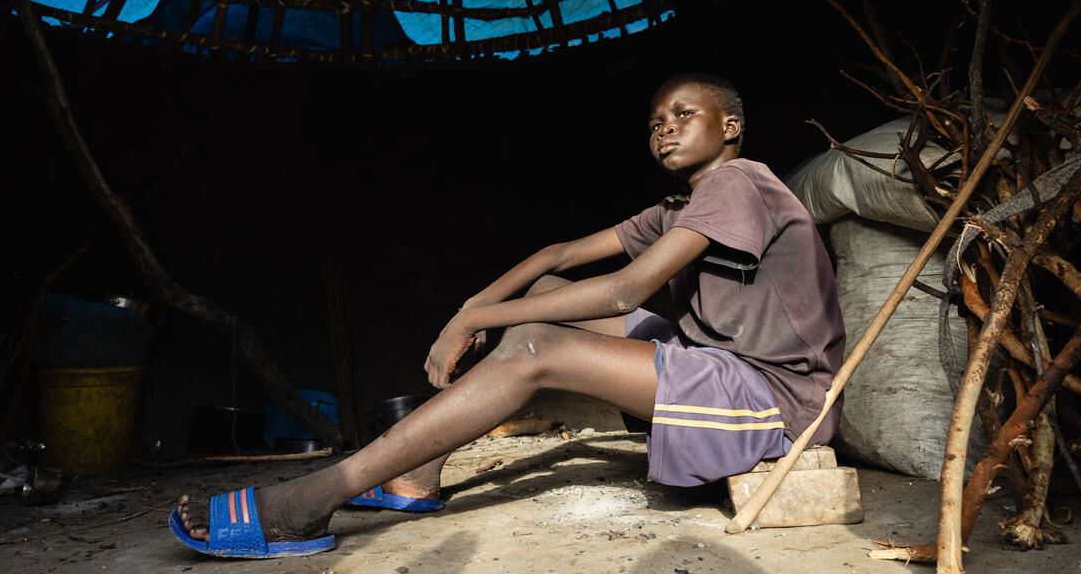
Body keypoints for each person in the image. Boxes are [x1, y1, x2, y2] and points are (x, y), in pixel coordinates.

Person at [170, 72, 845, 559]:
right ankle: (416, 475)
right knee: (534, 312)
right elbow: (559, 253)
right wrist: (472, 307)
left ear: (730, 126)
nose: (663, 127)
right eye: (653, 122)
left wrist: (476, 318)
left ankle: (308, 501)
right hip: (716, 366)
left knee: (531, 347)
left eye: (682, 113)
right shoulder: (678, 208)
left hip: (778, 401)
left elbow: (622, 291)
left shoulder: (740, 182)